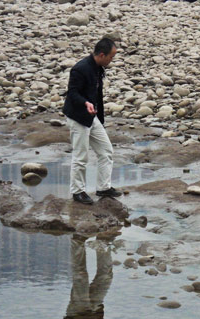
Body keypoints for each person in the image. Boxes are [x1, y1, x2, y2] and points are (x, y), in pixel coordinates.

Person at [63, 37, 121, 205]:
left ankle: (104, 187)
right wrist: (85, 103)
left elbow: (97, 96)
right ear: (102, 55)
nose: (112, 60)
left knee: (106, 150)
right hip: (78, 117)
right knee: (81, 156)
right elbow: (72, 94)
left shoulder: (98, 67)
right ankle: (77, 192)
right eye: (111, 57)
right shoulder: (80, 69)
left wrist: (100, 120)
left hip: (92, 116)